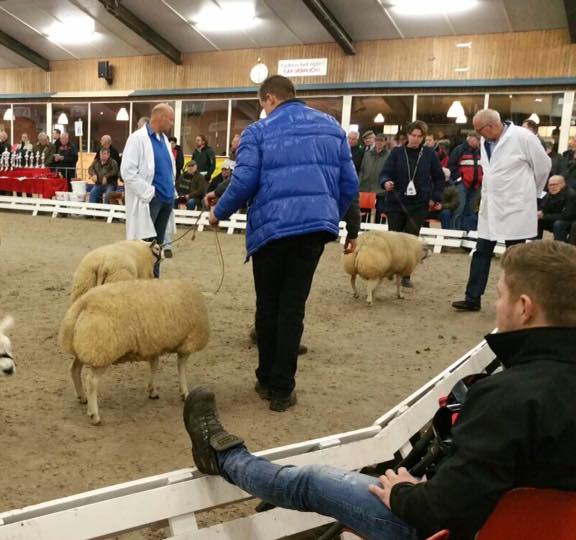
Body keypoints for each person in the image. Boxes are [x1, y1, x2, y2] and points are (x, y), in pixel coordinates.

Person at [183, 239, 576, 540]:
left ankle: (225, 457)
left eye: (502, 294)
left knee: (313, 481)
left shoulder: (509, 396)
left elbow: (443, 510)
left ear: (524, 308)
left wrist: (406, 494)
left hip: (453, 527)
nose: (496, 304)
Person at [204, 75, 357, 412]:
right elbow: (350, 183)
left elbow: (246, 180)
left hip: (272, 229)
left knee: (268, 305)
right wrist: (330, 214)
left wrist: (219, 212)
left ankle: (264, 378)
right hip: (314, 231)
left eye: (262, 104)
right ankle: (283, 390)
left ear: (270, 98)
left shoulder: (257, 132)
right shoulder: (332, 127)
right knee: (292, 308)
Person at [453, 109, 551, 311]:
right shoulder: (485, 140)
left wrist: (531, 193)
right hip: (490, 208)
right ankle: (472, 298)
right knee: (481, 251)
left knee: (515, 258)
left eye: (480, 130)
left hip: (516, 207)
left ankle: (517, 301)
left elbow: (543, 166)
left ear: (491, 126)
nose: (479, 135)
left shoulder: (523, 137)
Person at [379, 120, 445, 288]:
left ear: (423, 137)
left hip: (419, 204)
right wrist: (386, 182)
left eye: (419, 136)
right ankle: (391, 269)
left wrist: (435, 197)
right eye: (412, 135)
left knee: (411, 238)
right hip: (396, 201)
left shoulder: (429, 154)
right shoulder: (396, 152)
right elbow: (385, 173)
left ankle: (406, 274)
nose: (415, 139)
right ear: (407, 135)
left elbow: (439, 178)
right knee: (394, 238)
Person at [120, 103, 176, 277]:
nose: (172, 123)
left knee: (158, 246)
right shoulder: (137, 138)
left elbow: (168, 169)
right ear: (160, 117)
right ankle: (141, 280)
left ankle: (154, 279)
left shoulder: (164, 140)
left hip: (166, 200)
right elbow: (127, 171)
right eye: (171, 119)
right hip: (150, 200)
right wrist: (149, 192)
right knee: (144, 246)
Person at [448, 132, 484, 231]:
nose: (479, 142)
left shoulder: (481, 151)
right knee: (459, 209)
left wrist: (482, 180)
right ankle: (454, 233)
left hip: (476, 185)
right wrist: (459, 180)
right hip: (462, 185)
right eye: (477, 139)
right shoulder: (459, 150)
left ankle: (467, 234)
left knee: (470, 211)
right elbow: (451, 166)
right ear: (470, 138)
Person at [537, 175, 576, 241]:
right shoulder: (549, 194)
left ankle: (558, 247)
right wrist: (540, 212)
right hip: (553, 219)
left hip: (569, 222)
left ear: (562, 184)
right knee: (536, 220)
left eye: (555, 185)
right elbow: (542, 207)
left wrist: (544, 216)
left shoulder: (571, 195)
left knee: (558, 224)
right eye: (550, 185)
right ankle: (535, 244)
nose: (552, 187)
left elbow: (566, 216)